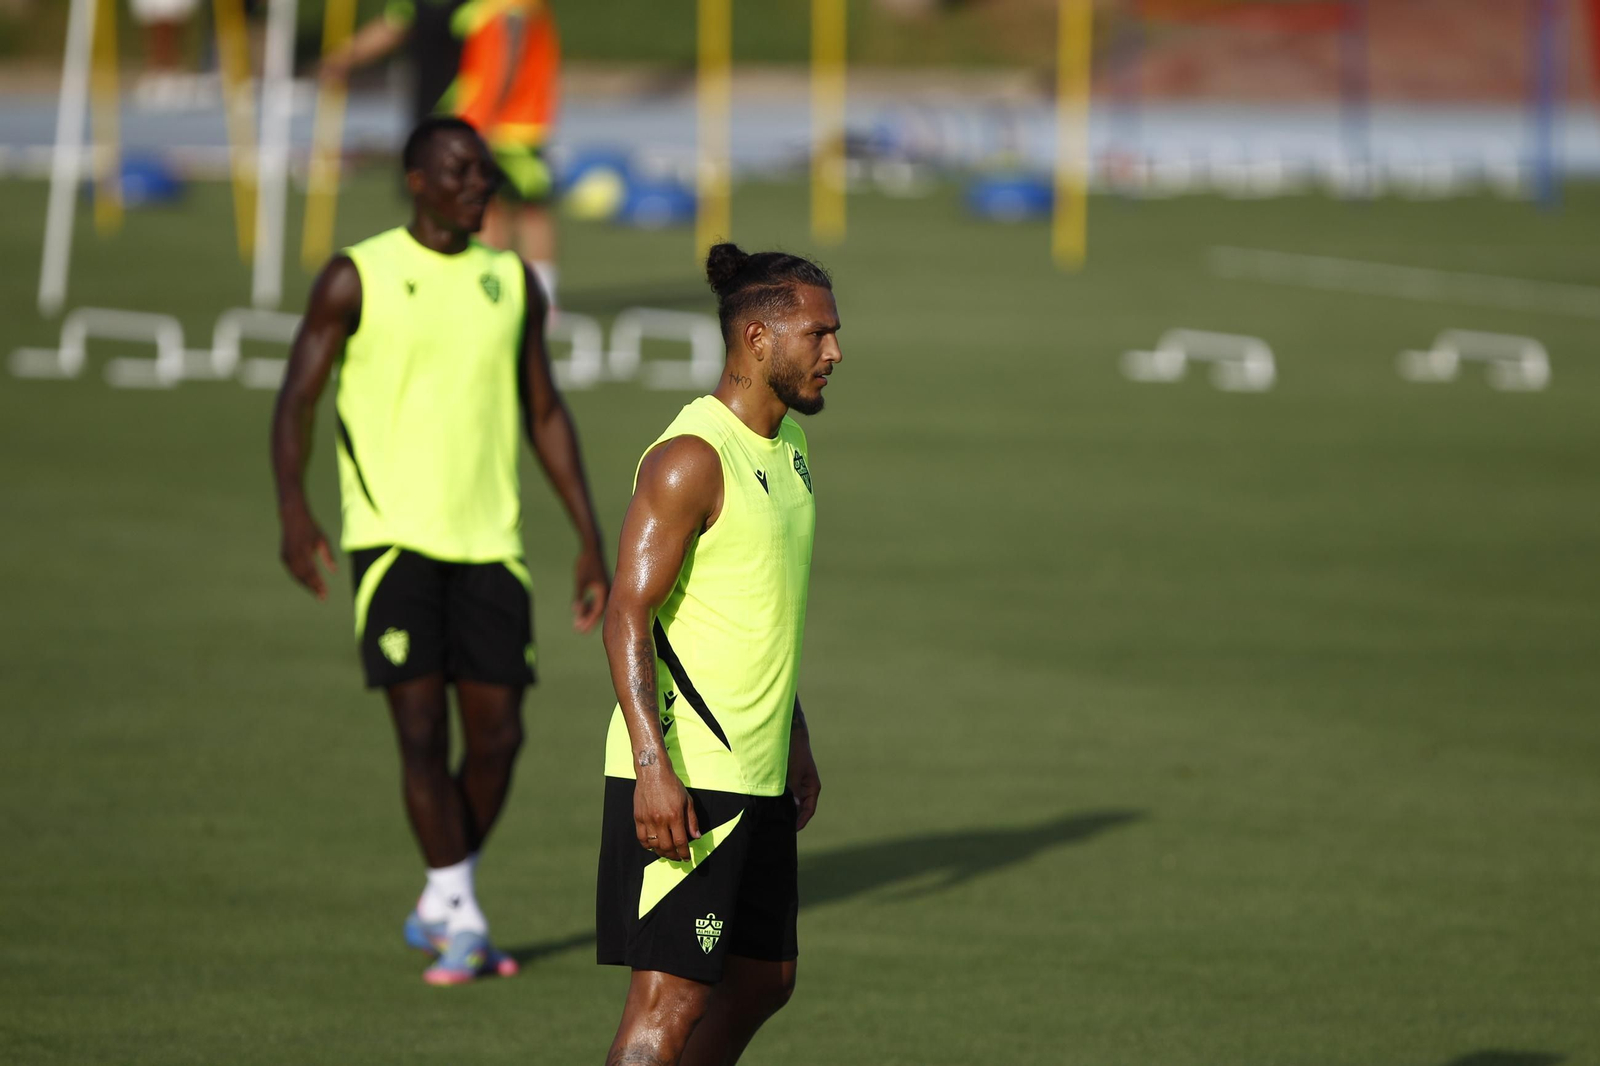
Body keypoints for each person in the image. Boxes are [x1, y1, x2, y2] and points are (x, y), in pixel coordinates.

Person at [270, 115, 609, 986]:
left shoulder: (512, 281)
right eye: (459, 170)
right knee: (420, 730)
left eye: (485, 172)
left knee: (499, 738)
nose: (479, 184)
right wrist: (294, 511)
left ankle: (440, 897)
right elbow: (298, 400)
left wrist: (587, 536)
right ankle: (461, 916)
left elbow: (544, 411)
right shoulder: (358, 275)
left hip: (491, 542)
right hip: (391, 541)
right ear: (416, 178)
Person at [595, 243, 840, 1064]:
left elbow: (765, 613)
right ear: (759, 339)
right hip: (691, 774)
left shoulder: (792, 453)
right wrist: (650, 764)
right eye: (819, 334)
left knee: (766, 977)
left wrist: (795, 731)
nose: (835, 352)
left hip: (760, 767)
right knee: (669, 1000)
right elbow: (626, 611)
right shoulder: (691, 459)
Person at [320, 0, 562, 306]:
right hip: (471, 117)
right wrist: (346, 57)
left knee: (529, 207)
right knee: (485, 206)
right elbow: (395, 24)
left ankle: (542, 297)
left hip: (514, 122)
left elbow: (509, 51)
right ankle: (490, 290)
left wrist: (489, 112)